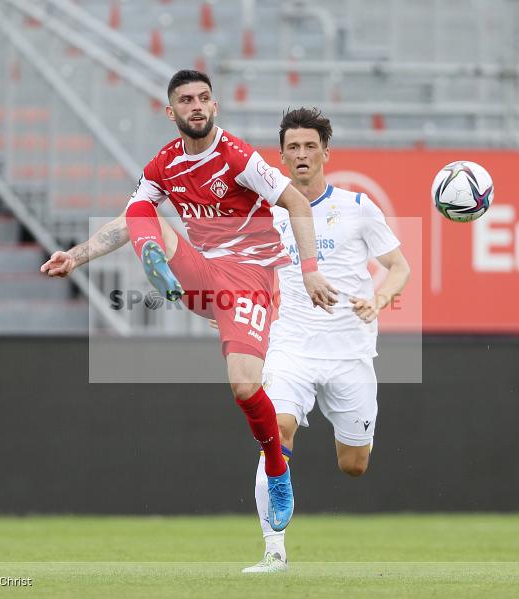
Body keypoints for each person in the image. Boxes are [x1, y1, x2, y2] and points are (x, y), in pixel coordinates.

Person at [40, 71, 337, 532]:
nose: (196, 105)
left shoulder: (237, 157)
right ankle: (154, 260)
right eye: (186, 99)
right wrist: (75, 257)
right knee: (140, 208)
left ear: (214, 106)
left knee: (244, 386)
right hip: (200, 275)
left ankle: (277, 471)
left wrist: (310, 269)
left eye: (203, 98)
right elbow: (127, 220)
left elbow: (297, 203)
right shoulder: (164, 164)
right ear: (170, 111)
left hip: (248, 280)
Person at [240, 107, 410, 573]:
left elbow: (400, 267)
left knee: (354, 464)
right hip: (290, 347)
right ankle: (274, 550)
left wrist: (378, 300)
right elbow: (246, 272)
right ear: (280, 156)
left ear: (325, 153)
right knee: (275, 431)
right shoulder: (267, 213)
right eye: (292, 147)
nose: (301, 154)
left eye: (309, 146)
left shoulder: (357, 207)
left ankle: (353, 438)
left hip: (350, 352)